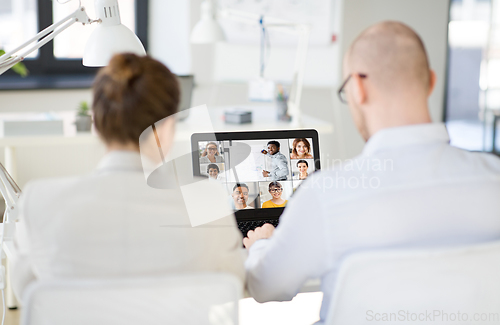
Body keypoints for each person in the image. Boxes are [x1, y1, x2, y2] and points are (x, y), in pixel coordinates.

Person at [243, 21, 500, 324]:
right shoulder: (493, 178)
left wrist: (262, 243)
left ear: (359, 88)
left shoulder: (325, 195)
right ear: (431, 82)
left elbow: (266, 287)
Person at [11, 54, 245, 301]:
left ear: (98, 125)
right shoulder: (207, 202)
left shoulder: (39, 201)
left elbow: (29, 294)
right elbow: (232, 285)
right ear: (165, 130)